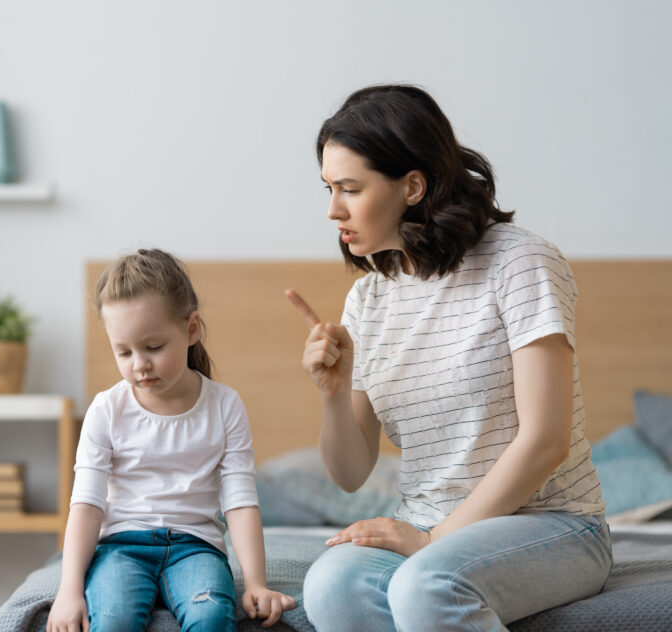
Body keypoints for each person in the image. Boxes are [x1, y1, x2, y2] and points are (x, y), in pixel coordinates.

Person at [287, 85, 612, 631]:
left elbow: (546, 439)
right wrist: (334, 394)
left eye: (349, 188)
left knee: (427, 582)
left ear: (412, 186)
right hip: (426, 525)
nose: (331, 209)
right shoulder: (369, 299)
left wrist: (436, 540)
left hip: (551, 524)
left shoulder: (519, 261)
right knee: (330, 583)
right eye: (327, 188)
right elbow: (349, 473)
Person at [47, 248, 296, 632]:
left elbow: (240, 502)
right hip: (120, 549)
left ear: (191, 329)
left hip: (195, 549)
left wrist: (256, 582)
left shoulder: (224, 406)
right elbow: (86, 505)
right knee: (113, 620)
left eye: (154, 347)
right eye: (124, 351)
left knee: (212, 616)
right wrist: (69, 590)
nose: (139, 365)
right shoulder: (106, 410)